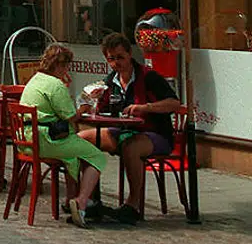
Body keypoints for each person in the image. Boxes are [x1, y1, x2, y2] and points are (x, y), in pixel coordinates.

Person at [78, 32, 183, 225]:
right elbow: (103, 109)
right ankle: (90, 199)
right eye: (111, 59)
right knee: (82, 139)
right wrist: (90, 101)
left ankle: (132, 205)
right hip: (122, 131)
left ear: (129, 55)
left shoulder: (148, 77)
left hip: (154, 133)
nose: (116, 63)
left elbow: (174, 103)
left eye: (120, 57)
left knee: (130, 146)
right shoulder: (110, 81)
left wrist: (146, 107)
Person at [19, 43, 108, 228]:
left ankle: (70, 199)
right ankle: (82, 201)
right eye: (67, 66)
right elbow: (71, 116)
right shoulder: (55, 85)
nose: (68, 69)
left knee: (74, 154)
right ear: (60, 65)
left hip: (28, 139)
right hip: (48, 140)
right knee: (96, 156)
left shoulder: (36, 79)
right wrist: (85, 104)